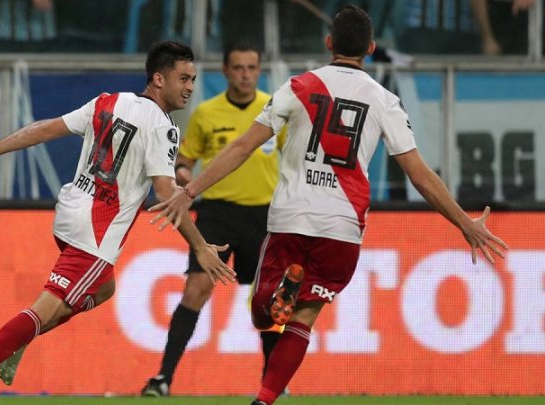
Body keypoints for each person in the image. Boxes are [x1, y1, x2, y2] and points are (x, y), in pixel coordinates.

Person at [149, 6, 509, 405]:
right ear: (370, 48)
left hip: (291, 217)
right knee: (304, 318)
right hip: (343, 227)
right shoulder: (385, 100)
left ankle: (273, 303)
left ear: (328, 43)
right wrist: (464, 223)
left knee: (262, 315)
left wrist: (191, 189)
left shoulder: (298, 87)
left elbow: (242, 147)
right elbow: (420, 174)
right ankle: (264, 399)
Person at [0, 40, 236, 405]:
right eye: (184, 78)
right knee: (44, 309)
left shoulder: (107, 101)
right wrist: (200, 246)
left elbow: (46, 128)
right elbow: (165, 192)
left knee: (104, 289)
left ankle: (18, 341)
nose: (190, 86)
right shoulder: (164, 128)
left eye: (193, 79)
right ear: (159, 79)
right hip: (95, 234)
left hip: (68, 216)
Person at [140, 43, 286, 397]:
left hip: (262, 216)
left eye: (251, 67)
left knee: (268, 302)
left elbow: (293, 158)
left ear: (259, 70)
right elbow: (184, 160)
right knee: (196, 289)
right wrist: (186, 175)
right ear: (225, 70)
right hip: (217, 213)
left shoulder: (274, 110)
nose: (245, 74)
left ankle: (273, 383)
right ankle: (163, 379)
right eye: (238, 67)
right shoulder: (206, 112)